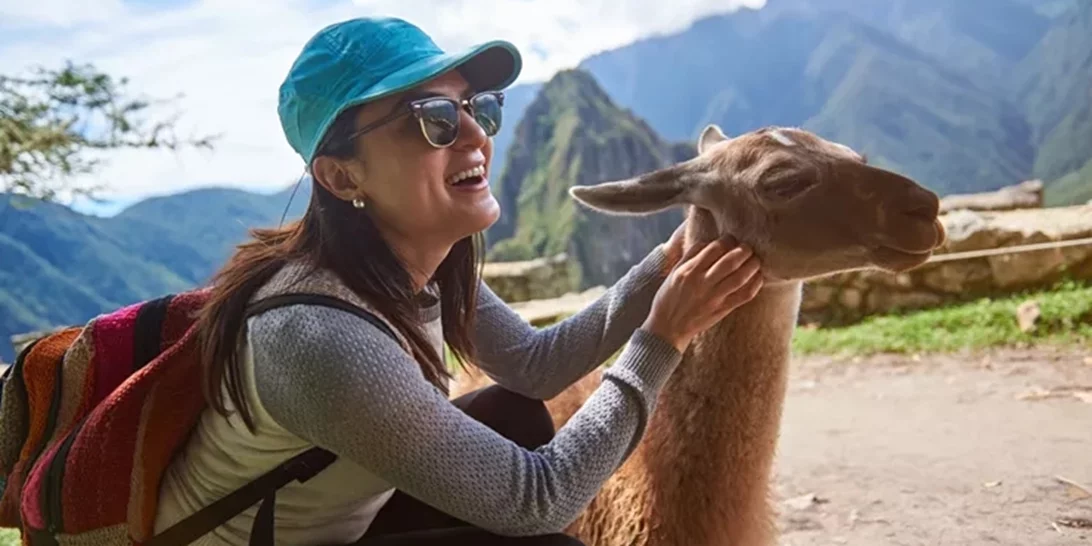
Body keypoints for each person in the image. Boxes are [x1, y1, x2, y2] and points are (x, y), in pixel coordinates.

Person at [151, 15, 764, 546]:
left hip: (350, 521)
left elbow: (536, 365)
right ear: (341, 178)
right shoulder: (313, 334)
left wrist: (667, 259)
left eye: (476, 108)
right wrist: (660, 338)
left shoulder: (419, 264)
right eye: (431, 119)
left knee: (515, 412)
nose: (474, 134)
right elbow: (540, 501)